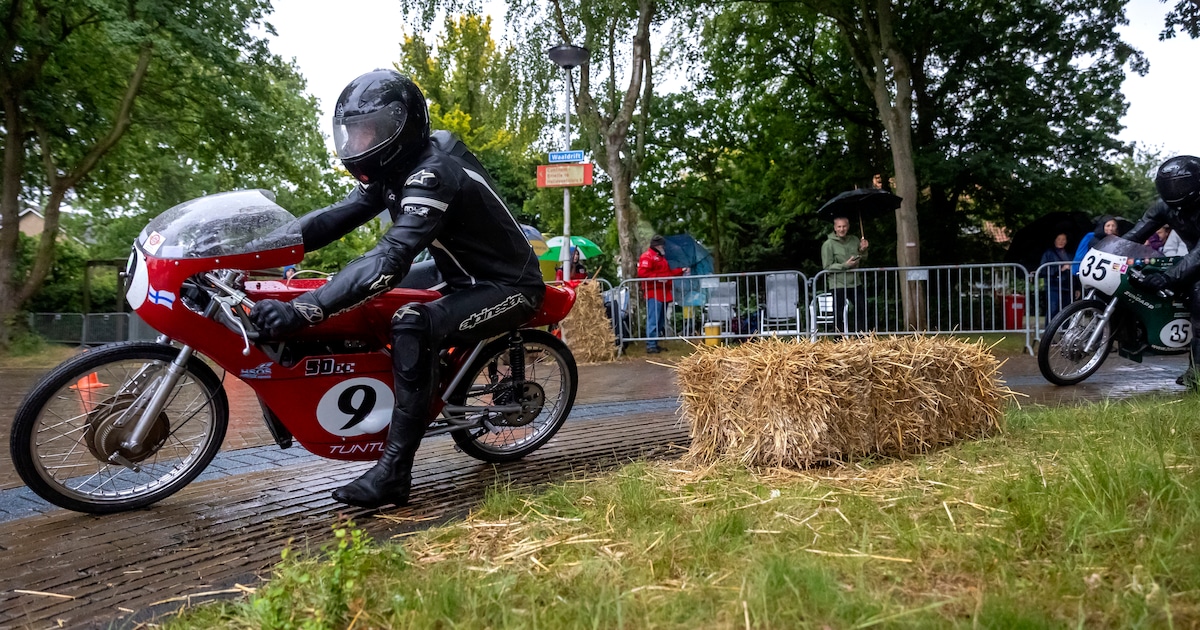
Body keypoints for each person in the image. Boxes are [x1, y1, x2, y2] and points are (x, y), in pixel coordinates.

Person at [248, 69, 545, 508]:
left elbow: (389, 259)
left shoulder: (432, 174)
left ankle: (395, 472)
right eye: (353, 132)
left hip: (509, 284)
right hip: (459, 272)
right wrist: (257, 250)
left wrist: (304, 310)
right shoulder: (396, 168)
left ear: (399, 126)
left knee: (411, 322)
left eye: (368, 130)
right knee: (369, 302)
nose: (358, 142)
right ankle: (398, 386)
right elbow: (336, 217)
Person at [1123, 155, 1200, 389]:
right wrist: (1106, 252)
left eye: (1179, 183)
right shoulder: (1164, 206)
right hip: (1193, 258)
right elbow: (1136, 233)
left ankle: (1196, 374)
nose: (1174, 188)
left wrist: (1168, 276)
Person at [637, 235, 688, 353]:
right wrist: (659, 278)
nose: (663, 247)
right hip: (653, 292)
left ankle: (654, 343)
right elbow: (642, 273)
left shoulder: (660, 258)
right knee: (653, 319)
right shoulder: (647, 257)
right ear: (657, 246)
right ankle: (651, 344)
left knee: (659, 320)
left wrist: (681, 271)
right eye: (662, 245)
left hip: (662, 291)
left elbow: (667, 273)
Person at [820, 215, 869, 334]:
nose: (842, 229)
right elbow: (827, 267)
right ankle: (838, 339)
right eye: (839, 226)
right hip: (838, 283)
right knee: (838, 312)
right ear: (835, 228)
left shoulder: (854, 240)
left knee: (862, 309)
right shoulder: (828, 244)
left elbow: (864, 258)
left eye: (844, 226)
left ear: (848, 227)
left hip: (855, 282)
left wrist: (863, 250)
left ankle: (862, 336)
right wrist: (845, 265)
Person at [1041, 232, 1074, 319]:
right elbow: (1043, 270)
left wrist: (1077, 287)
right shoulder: (1048, 253)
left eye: (1063, 239)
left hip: (1067, 287)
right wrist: (1060, 269)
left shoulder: (1070, 254)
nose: (1061, 241)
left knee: (1067, 311)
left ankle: (1065, 331)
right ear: (1054, 240)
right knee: (1053, 309)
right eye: (1059, 239)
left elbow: (1075, 271)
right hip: (1053, 286)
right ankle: (1050, 330)